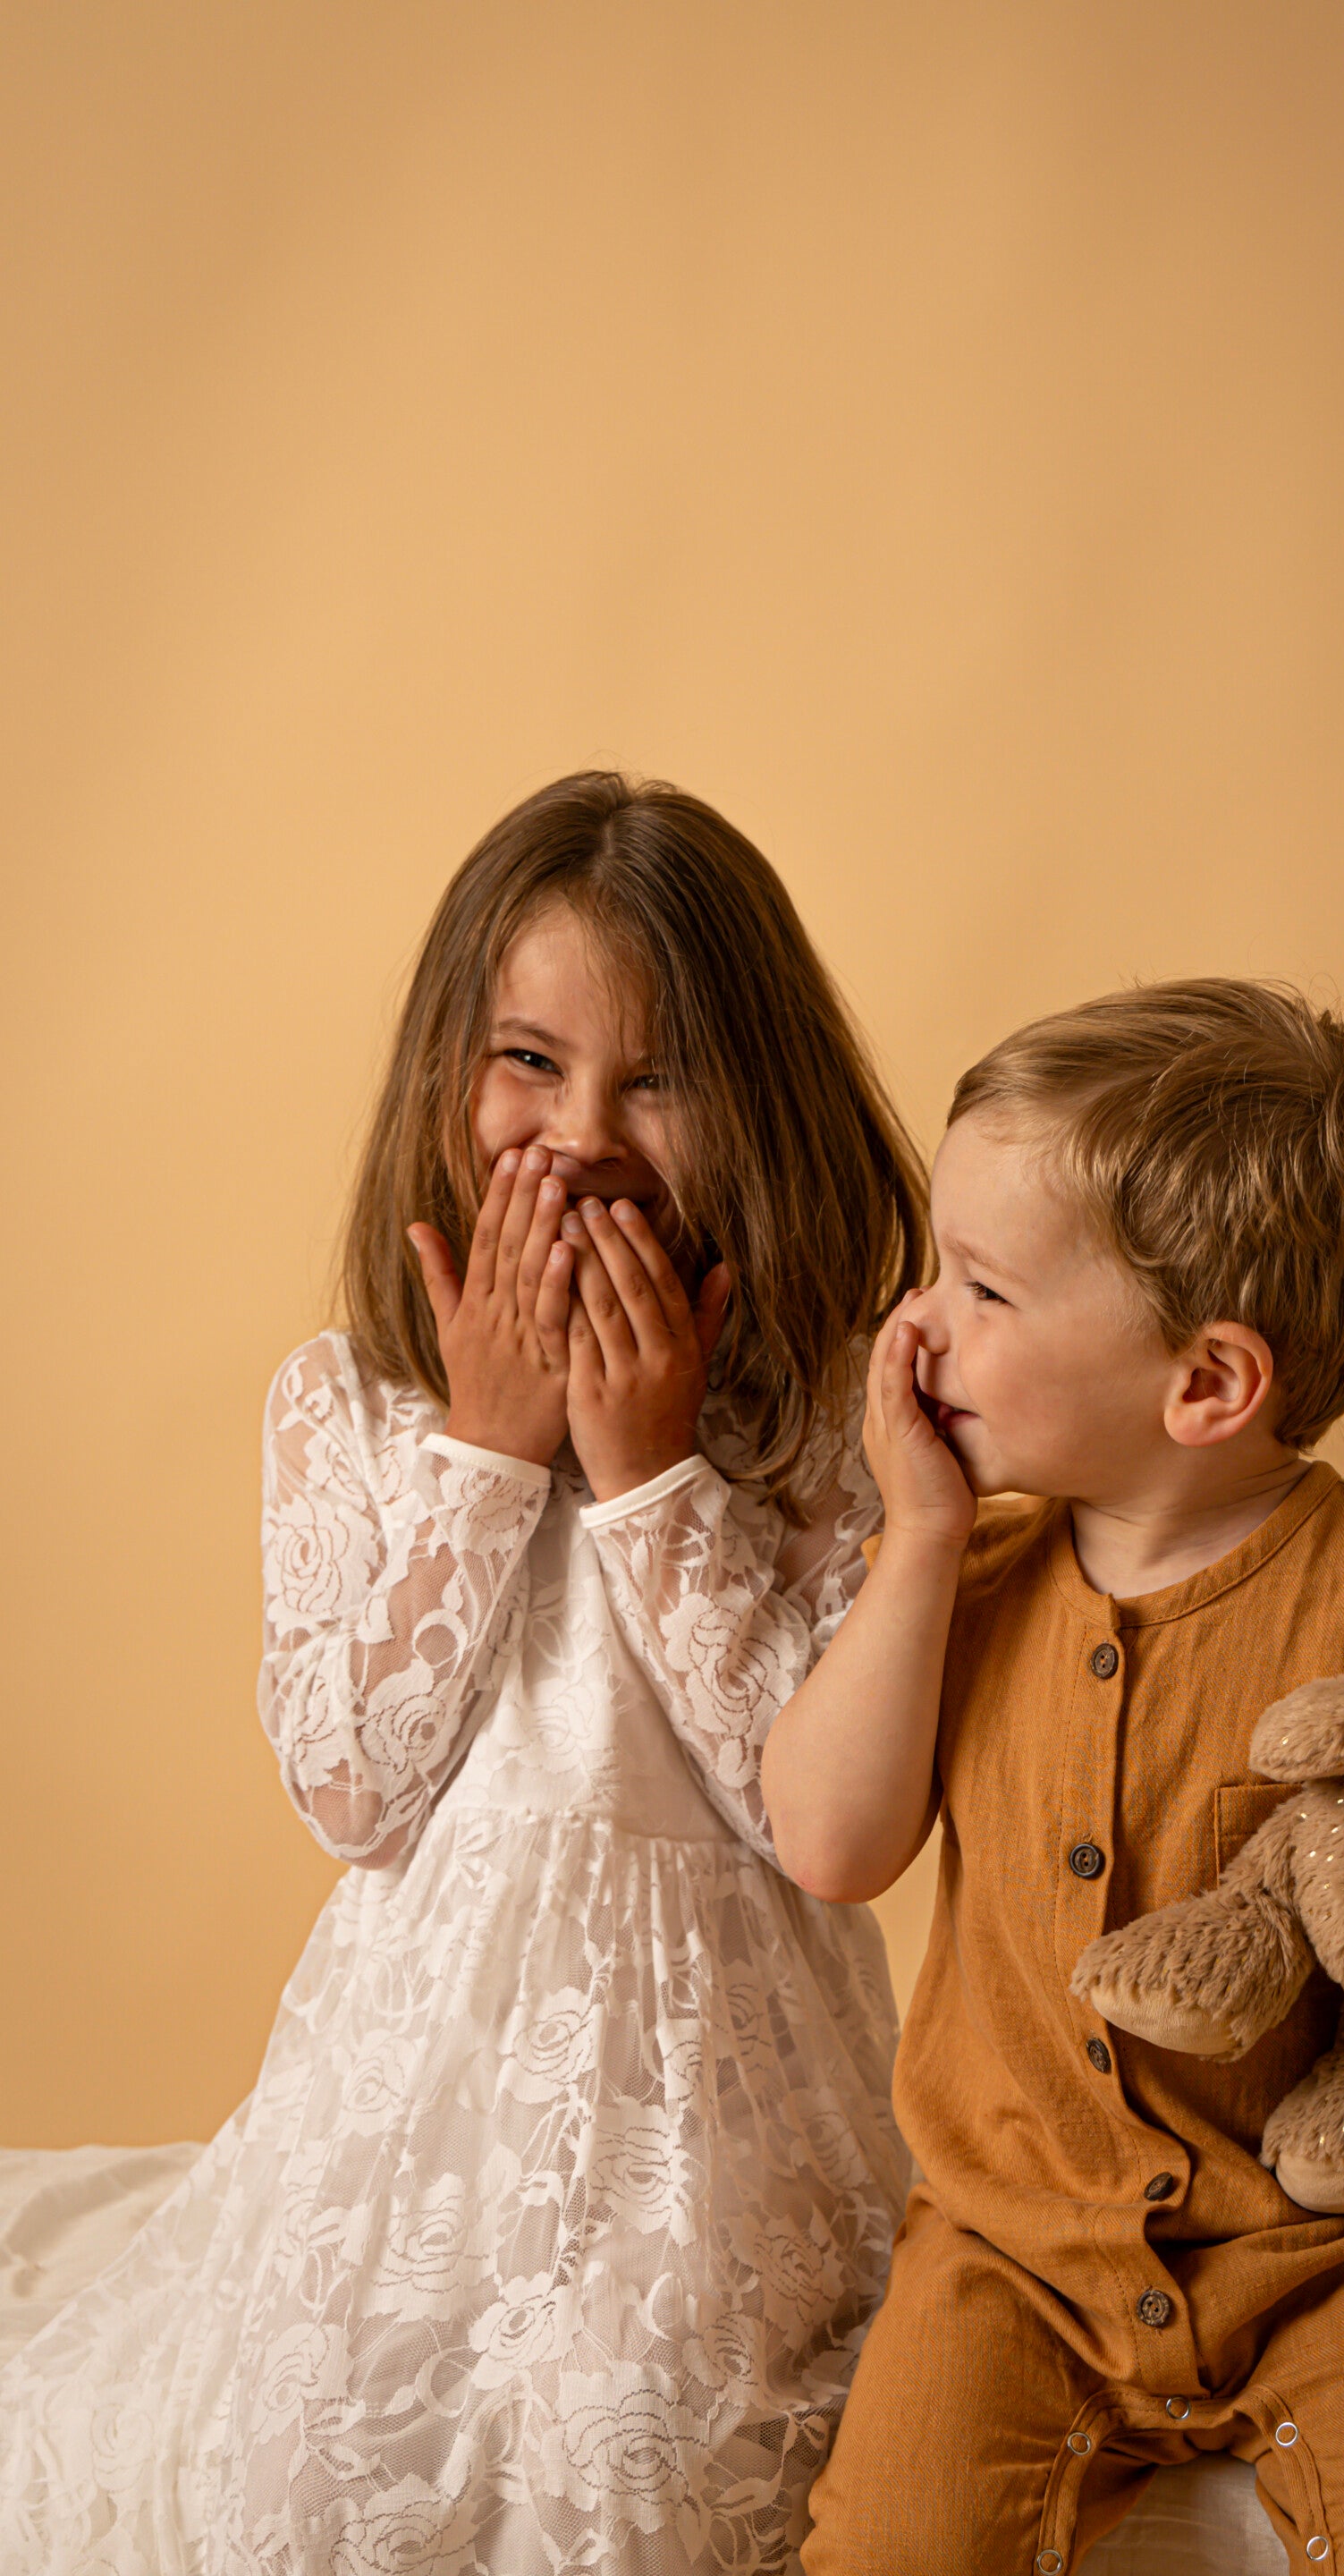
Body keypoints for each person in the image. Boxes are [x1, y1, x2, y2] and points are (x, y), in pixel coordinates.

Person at [0, 773, 922, 2574]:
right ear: (447, 1072)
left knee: (627, 2422)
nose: (579, 1134)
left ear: (756, 1099)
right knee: (311, 2454)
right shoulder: (345, 1407)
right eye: (530, 1062)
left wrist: (653, 1469)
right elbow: (351, 1788)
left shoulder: (826, 1424)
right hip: (417, 2079)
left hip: (715, 2103)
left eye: (653, 1079)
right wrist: (492, 1454)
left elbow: (806, 1810)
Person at [762, 979, 1344, 2576]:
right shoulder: (966, 1570)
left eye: (983, 1289)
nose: (917, 1324)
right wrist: (924, 1540)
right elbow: (828, 1840)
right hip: (1005, 2247)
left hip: (1332, 2251)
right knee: (888, 2542)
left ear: (1209, 1385)